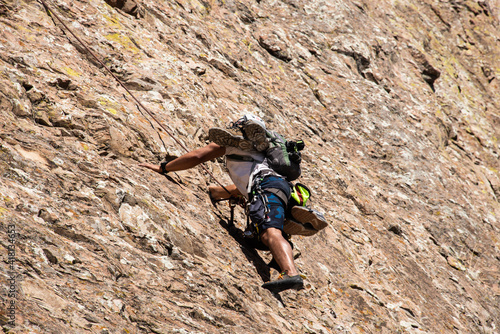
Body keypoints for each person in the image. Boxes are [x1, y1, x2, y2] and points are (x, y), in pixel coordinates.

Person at [139, 115, 307, 292]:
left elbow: (197, 156)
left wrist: (163, 168)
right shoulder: (263, 153)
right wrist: (217, 193)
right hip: (281, 188)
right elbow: (243, 184)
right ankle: (280, 252)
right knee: (267, 230)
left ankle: (289, 272)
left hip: (264, 186)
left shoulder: (234, 142)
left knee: (269, 233)